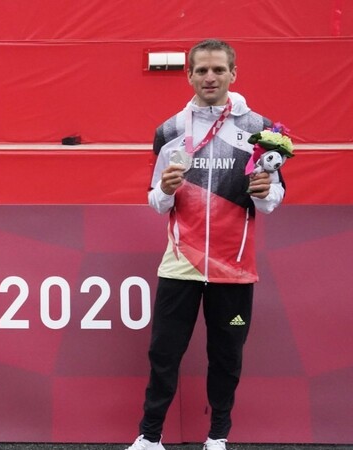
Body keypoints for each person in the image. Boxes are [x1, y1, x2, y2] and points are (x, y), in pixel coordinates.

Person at [126, 39, 285, 450]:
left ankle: (217, 438)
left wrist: (264, 191)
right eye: (201, 71)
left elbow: (270, 203)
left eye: (218, 70)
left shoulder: (259, 130)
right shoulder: (170, 131)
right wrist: (164, 189)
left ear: (233, 73)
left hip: (233, 266)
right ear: (189, 75)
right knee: (164, 353)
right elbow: (156, 201)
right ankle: (149, 437)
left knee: (227, 356)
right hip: (180, 263)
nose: (209, 77)